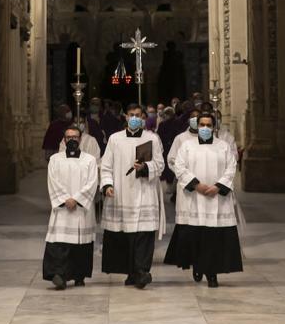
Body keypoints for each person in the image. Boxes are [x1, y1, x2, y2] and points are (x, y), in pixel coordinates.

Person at [164, 112, 243, 288]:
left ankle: (212, 274)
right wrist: (196, 185)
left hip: (217, 200)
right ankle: (197, 266)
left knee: (214, 239)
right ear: (197, 126)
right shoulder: (187, 146)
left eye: (209, 125)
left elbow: (231, 168)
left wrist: (218, 186)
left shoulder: (223, 146)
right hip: (194, 198)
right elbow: (180, 167)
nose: (205, 128)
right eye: (202, 125)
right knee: (197, 236)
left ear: (214, 127)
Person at [101, 103, 165, 288]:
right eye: (131, 114)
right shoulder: (115, 139)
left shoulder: (152, 138)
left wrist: (146, 167)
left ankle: (142, 271)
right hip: (121, 193)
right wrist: (107, 185)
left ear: (143, 117)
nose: (135, 118)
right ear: (126, 117)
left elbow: (160, 165)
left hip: (144, 192)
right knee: (125, 236)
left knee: (144, 234)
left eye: (138, 115)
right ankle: (131, 272)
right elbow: (106, 166)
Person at [43, 125, 99, 290]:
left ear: (80, 139)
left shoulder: (89, 160)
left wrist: (77, 199)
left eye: (75, 137)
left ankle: (79, 276)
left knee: (81, 244)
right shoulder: (55, 160)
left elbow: (92, 182)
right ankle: (59, 275)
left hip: (81, 210)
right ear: (64, 140)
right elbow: (52, 181)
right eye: (69, 137)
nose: (72, 140)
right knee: (60, 243)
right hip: (62, 209)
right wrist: (65, 199)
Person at [167, 105, 200, 174]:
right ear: (188, 120)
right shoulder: (180, 138)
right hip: (185, 178)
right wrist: (183, 173)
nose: (195, 119)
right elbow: (171, 159)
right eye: (193, 117)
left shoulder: (207, 138)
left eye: (198, 117)